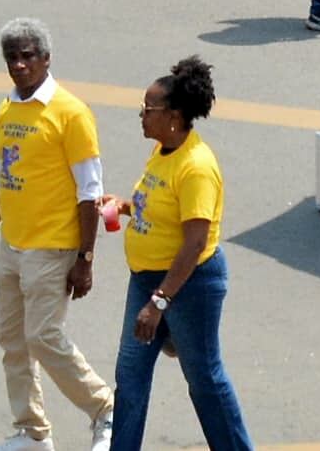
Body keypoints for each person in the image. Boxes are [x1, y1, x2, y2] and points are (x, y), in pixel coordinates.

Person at [0, 18, 114, 451]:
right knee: (12, 340)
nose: (19, 64)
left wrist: (85, 259)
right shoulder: (7, 110)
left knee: (43, 337)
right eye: (12, 56)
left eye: (28, 55)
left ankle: (106, 409)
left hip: (53, 248)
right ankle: (31, 433)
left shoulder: (70, 113)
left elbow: (90, 192)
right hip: (13, 246)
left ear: (46, 59)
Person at [110, 56, 249, 451]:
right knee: (130, 375)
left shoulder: (197, 167)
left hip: (188, 286)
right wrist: (124, 206)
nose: (141, 115)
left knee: (204, 378)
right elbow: (159, 206)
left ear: (173, 115)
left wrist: (159, 302)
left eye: (148, 109)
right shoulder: (163, 151)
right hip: (149, 281)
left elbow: (195, 242)